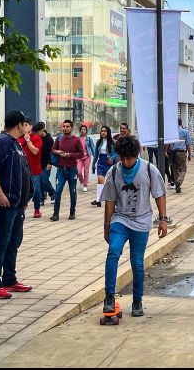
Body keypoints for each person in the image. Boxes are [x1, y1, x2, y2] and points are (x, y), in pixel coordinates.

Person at [102, 135, 167, 318]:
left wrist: (162, 219)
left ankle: (137, 300)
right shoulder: (114, 172)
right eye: (121, 157)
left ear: (136, 155)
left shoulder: (148, 169)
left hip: (141, 221)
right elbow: (109, 200)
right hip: (120, 219)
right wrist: (106, 226)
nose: (125, 161)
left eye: (128, 158)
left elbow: (159, 194)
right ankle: (109, 297)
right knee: (113, 252)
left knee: (137, 261)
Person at [0, 110, 34, 299]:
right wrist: (0, 194)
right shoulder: (2, 142)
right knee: (1, 242)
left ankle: (9, 279)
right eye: (24, 124)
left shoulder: (15, 144)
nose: (26, 127)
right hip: (5, 203)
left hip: (17, 204)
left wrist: (24, 198)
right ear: (19, 125)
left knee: (13, 242)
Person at [51, 120, 84, 221]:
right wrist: (58, 152)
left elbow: (81, 153)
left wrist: (70, 155)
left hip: (72, 169)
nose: (65, 128)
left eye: (67, 126)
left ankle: (72, 212)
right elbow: (53, 149)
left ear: (72, 128)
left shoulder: (76, 140)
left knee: (72, 191)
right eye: (63, 126)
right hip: (61, 169)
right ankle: (55, 214)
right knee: (58, 191)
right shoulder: (59, 138)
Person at [17, 121, 43, 219]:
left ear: (31, 127)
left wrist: (28, 141)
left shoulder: (36, 138)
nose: (25, 127)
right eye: (23, 125)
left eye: (27, 125)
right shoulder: (18, 138)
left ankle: (37, 209)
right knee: (22, 190)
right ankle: (22, 206)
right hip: (22, 169)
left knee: (35, 190)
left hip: (34, 169)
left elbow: (35, 151)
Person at [91, 126, 118, 207]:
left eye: (105, 131)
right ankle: (98, 200)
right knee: (100, 180)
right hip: (101, 162)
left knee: (110, 182)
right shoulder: (99, 142)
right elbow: (96, 154)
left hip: (109, 163)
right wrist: (93, 164)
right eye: (102, 131)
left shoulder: (113, 142)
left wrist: (112, 158)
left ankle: (113, 198)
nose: (103, 132)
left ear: (108, 132)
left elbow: (117, 153)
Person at [170, 119, 192, 193]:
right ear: (181, 123)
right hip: (181, 153)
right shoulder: (185, 131)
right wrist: (189, 154)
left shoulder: (171, 132)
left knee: (175, 169)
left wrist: (165, 151)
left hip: (173, 153)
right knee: (183, 169)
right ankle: (179, 181)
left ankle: (177, 185)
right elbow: (188, 144)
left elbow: (167, 143)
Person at [38, 124, 56, 205]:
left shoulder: (49, 139)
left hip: (47, 164)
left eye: (38, 131)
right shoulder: (38, 139)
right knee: (40, 181)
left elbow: (52, 152)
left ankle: (53, 194)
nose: (37, 133)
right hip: (38, 164)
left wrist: (50, 163)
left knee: (44, 180)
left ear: (43, 130)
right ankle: (42, 199)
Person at [77, 125, 95, 193]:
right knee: (78, 171)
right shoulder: (77, 139)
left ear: (86, 131)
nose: (83, 130)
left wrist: (95, 158)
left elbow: (93, 149)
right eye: (81, 129)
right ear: (80, 130)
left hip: (87, 157)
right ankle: (82, 182)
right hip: (79, 158)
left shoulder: (89, 139)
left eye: (84, 129)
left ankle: (85, 185)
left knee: (86, 172)